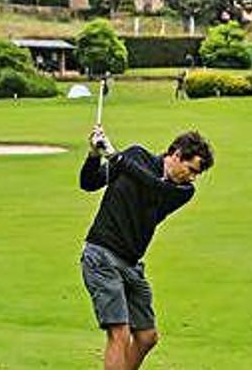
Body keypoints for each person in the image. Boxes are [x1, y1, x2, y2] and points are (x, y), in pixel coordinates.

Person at [79, 126, 214, 370]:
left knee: (146, 337)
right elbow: (89, 183)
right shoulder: (137, 155)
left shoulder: (183, 191)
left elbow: (152, 186)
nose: (193, 177)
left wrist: (116, 157)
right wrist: (94, 155)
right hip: (101, 255)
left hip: (131, 265)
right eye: (191, 169)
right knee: (119, 334)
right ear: (176, 154)